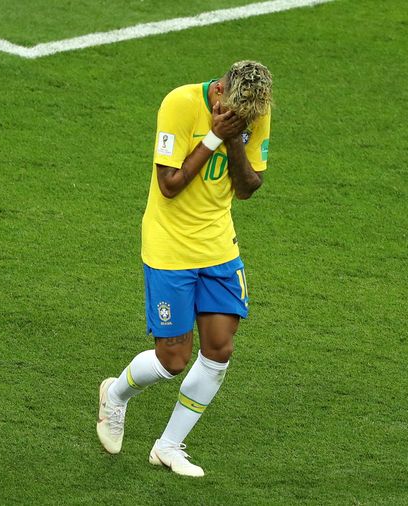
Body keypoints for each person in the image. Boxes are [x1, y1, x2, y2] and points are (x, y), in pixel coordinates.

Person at [96, 60, 273, 477]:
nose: (248, 120)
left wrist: (234, 141)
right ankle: (115, 395)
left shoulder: (253, 112)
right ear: (219, 94)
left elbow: (247, 189)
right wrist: (214, 135)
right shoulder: (179, 103)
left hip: (218, 248)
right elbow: (170, 186)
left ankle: (169, 445)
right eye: (239, 114)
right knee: (172, 359)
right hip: (170, 248)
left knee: (219, 350)